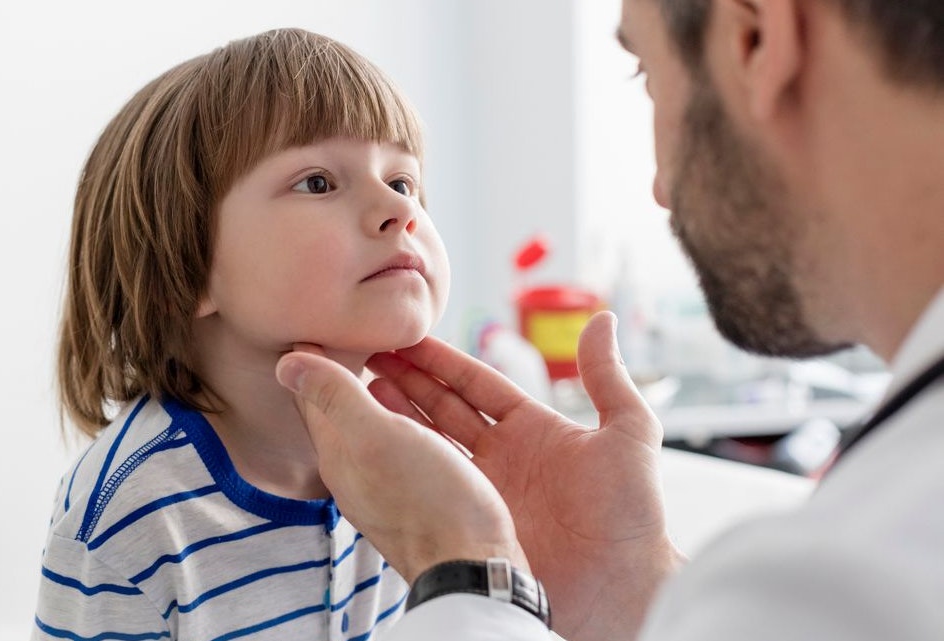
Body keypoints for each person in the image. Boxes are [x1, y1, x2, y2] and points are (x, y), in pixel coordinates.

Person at [274, 0, 944, 639]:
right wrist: (622, 577)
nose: (658, 186)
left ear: (757, 40)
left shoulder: (871, 574)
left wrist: (466, 570)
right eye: (317, 182)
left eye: (647, 74)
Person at [32, 28, 451, 641]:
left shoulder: (423, 459)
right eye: (318, 182)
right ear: (188, 263)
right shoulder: (127, 519)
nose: (400, 210)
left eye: (402, 181)